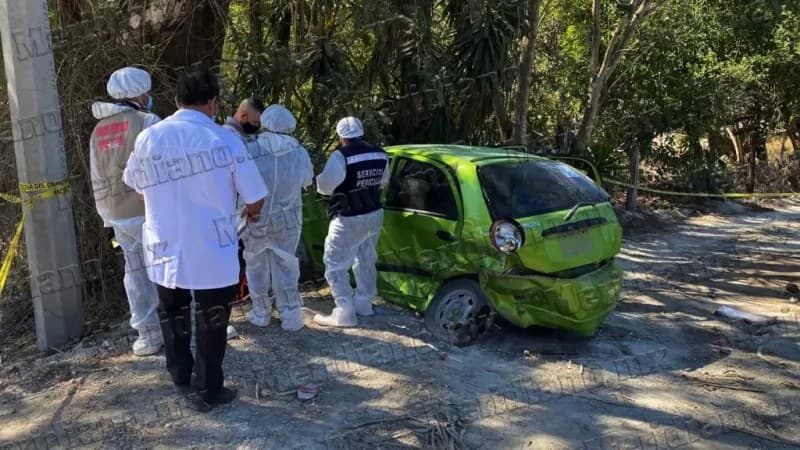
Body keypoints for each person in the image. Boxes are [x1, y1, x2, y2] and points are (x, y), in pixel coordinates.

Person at [122, 67, 268, 412]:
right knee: (212, 317)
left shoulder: (150, 137)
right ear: (214, 104)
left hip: (163, 245)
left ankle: (180, 374)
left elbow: (136, 188)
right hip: (211, 246)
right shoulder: (225, 139)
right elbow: (256, 197)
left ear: (175, 101)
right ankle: (208, 389)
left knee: (171, 311)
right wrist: (249, 213)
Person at [89, 66, 163, 356]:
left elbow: (95, 174)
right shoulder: (147, 121)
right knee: (167, 268)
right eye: (146, 93)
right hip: (148, 209)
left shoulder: (99, 129)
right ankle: (183, 328)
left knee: (134, 272)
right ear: (140, 94)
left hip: (117, 212)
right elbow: (159, 167)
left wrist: (106, 212)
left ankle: (147, 335)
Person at [241, 104, 314, 331]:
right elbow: (307, 181)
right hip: (288, 220)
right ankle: (291, 315)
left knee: (256, 264)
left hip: (255, 217)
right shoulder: (299, 152)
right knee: (287, 265)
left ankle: (261, 312)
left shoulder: (249, 149)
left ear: (264, 124)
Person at [313, 117, 389, 327]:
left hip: (348, 216)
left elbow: (326, 186)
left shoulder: (341, 156)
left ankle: (344, 310)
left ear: (341, 137)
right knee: (365, 257)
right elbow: (383, 181)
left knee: (334, 262)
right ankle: (364, 302)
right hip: (374, 213)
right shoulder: (379, 153)